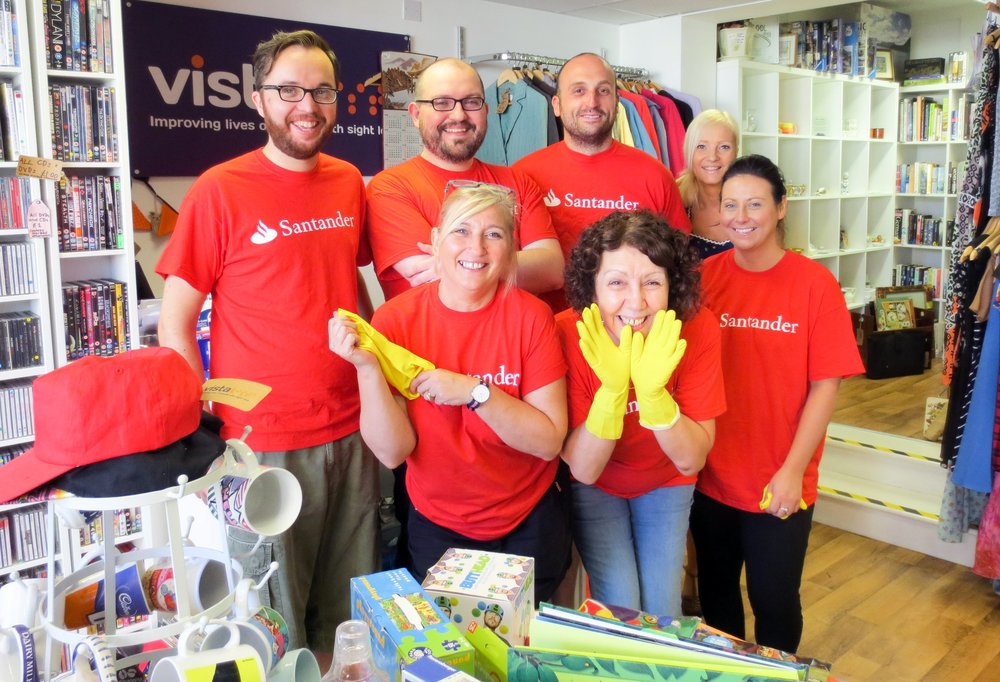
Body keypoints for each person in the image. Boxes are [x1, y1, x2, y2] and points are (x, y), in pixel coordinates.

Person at [155, 30, 379, 658]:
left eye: (321, 91)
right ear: (258, 99)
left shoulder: (348, 182)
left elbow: (349, 286)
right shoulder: (218, 189)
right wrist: (194, 424)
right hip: (261, 442)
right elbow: (176, 323)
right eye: (288, 91)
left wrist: (377, 370)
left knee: (348, 618)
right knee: (271, 627)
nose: (306, 105)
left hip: (353, 428)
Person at [330, 182, 571, 601]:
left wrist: (475, 392)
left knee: (523, 651)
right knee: (454, 654)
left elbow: (548, 442)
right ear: (437, 242)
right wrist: (367, 369)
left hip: (528, 517)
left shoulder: (532, 318)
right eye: (461, 230)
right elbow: (392, 452)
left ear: (510, 250)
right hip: (439, 522)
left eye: (494, 234)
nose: (476, 247)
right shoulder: (397, 320)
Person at [692, 155, 864, 652]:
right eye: (730, 204)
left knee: (774, 599)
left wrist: (792, 470)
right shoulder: (703, 278)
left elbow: (824, 387)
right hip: (711, 473)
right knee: (717, 596)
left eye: (754, 204)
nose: (741, 216)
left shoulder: (814, 285)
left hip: (778, 478)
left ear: (781, 208)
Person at [556, 210, 725, 616]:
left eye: (653, 282)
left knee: (662, 609)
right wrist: (613, 392)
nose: (637, 301)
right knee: (622, 608)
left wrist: (653, 396)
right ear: (592, 288)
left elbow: (691, 457)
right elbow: (584, 470)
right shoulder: (568, 331)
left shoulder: (698, 328)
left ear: (673, 285)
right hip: (600, 483)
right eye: (616, 283)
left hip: (666, 478)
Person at [366, 58, 563, 302]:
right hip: (420, 341)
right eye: (442, 102)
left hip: (512, 339)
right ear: (416, 114)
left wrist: (456, 264)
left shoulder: (518, 182)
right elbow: (425, 274)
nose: (459, 115)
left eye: (471, 102)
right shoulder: (389, 188)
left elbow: (553, 270)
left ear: (485, 111)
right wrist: (509, 262)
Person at [514, 53, 691, 312]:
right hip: (545, 332)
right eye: (578, 90)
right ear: (556, 105)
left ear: (617, 101)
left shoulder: (655, 176)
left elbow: (678, 267)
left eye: (603, 90)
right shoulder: (523, 175)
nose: (592, 102)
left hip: (630, 334)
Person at [675, 109, 740, 259]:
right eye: (701, 146)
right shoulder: (674, 198)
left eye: (724, 147)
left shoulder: (752, 201)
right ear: (688, 151)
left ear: (736, 152)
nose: (712, 157)